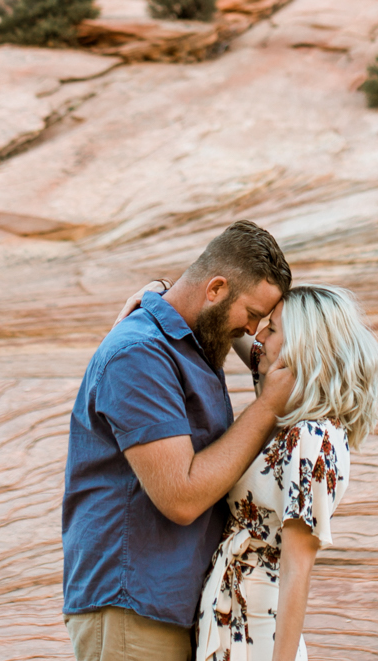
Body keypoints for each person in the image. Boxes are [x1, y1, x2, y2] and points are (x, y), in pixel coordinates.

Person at [63, 220, 295, 661]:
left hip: (171, 606)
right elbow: (182, 497)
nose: (250, 331)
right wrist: (266, 409)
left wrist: (160, 289)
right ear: (216, 289)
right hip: (132, 606)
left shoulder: (193, 345)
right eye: (251, 314)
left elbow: (274, 358)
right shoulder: (139, 354)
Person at [194, 284, 378, 661]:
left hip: (260, 629)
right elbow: (245, 338)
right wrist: (166, 292)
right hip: (231, 612)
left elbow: (299, 567)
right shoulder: (285, 411)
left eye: (272, 328)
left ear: (301, 348)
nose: (258, 335)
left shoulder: (313, 439)